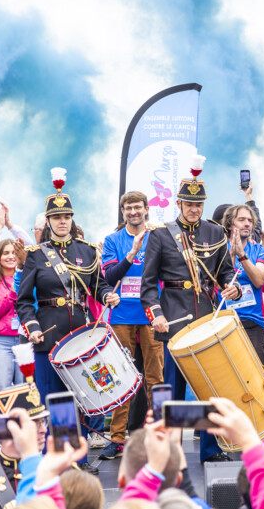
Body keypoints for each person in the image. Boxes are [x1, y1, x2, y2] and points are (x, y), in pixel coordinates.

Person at [139, 156, 242, 463]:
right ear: (179, 203)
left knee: (211, 388)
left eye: (199, 204)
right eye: (189, 203)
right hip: (174, 319)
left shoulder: (215, 233)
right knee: (171, 392)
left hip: (207, 318)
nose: (194, 209)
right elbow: (148, 285)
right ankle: (167, 453)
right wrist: (156, 315)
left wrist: (232, 288)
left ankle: (210, 451)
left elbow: (225, 273)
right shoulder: (160, 234)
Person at [15, 169, 118, 473]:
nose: (62, 221)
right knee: (55, 403)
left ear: (72, 219)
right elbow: (23, 301)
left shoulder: (86, 251)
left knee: (83, 399)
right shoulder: (36, 255)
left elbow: (98, 285)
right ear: (48, 221)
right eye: (57, 217)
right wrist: (32, 327)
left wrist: (109, 294)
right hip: (49, 337)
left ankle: (81, 459)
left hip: (82, 335)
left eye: (67, 217)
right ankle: (61, 462)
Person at [99, 191, 165, 460]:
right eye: (128, 208)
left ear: (146, 209)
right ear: (122, 211)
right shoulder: (113, 240)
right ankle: (117, 439)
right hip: (122, 317)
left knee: (156, 379)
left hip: (151, 315)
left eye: (138, 207)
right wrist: (133, 253)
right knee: (120, 379)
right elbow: (111, 275)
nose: (133, 212)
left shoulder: (159, 237)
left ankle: (159, 434)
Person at [220, 204, 264, 360]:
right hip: (224, 320)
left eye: (250, 220)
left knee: (256, 375)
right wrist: (231, 254)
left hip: (253, 321)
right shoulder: (219, 249)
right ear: (229, 225)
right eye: (241, 219)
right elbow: (219, 280)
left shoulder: (259, 250)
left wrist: (242, 255)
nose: (247, 223)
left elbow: (259, 281)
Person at [0, 240, 24, 415]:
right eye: (6, 253)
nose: (11, 256)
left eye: (13, 253)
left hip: (25, 341)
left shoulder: (27, 277)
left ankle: (24, 438)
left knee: (25, 390)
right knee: (0, 389)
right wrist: (12, 293)